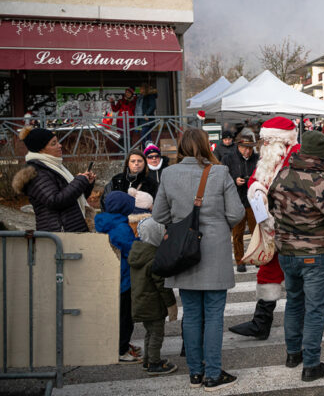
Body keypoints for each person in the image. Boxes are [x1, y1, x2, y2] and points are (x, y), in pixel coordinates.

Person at [152, 128, 243, 391]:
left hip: (183, 250)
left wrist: (181, 224)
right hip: (214, 248)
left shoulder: (168, 174)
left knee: (191, 314)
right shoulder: (220, 172)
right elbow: (236, 212)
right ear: (206, 146)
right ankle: (213, 374)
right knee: (214, 314)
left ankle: (195, 373)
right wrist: (216, 226)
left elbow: (158, 215)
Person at [268, 130, 324, 382]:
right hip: (315, 253)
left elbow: (270, 205)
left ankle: (293, 354)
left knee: (294, 303)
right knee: (315, 309)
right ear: (323, 154)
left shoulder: (283, 174)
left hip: (287, 251)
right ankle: (311, 364)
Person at [229, 116, 299, 340]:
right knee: (268, 270)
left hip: (292, 229)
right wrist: (256, 189)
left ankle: (301, 329)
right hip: (274, 228)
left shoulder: (294, 157)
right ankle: (261, 323)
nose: (263, 147)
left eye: (266, 142)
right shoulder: (272, 159)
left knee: (297, 278)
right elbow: (256, 179)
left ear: (279, 141)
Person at [12, 127, 96, 232]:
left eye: (57, 142)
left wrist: (86, 183)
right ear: (41, 149)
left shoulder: (54, 166)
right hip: (59, 233)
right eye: (53, 144)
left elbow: (72, 199)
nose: (59, 145)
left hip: (71, 230)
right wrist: (79, 181)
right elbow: (55, 201)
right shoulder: (37, 172)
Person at [127, 217, 178, 375]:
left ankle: (148, 360)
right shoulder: (154, 258)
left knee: (149, 332)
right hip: (153, 303)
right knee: (157, 334)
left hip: (140, 301)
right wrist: (171, 304)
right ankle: (154, 363)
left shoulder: (138, 253)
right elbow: (162, 285)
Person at [95, 191, 141, 363]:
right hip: (123, 278)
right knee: (125, 317)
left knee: (117, 315)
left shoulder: (105, 222)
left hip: (113, 276)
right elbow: (132, 250)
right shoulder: (120, 227)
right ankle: (121, 350)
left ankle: (120, 344)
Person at [220, 130, 259, 273]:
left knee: (256, 231)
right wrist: (234, 180)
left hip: (254, 200)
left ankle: (256, 257)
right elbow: (223, 177)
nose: (247, 151)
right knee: (237, 233)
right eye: (244, 148)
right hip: (236, 200)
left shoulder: (257, 158)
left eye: (250, 148)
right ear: (238, 146)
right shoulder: (228, 159)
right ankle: (240, 260)